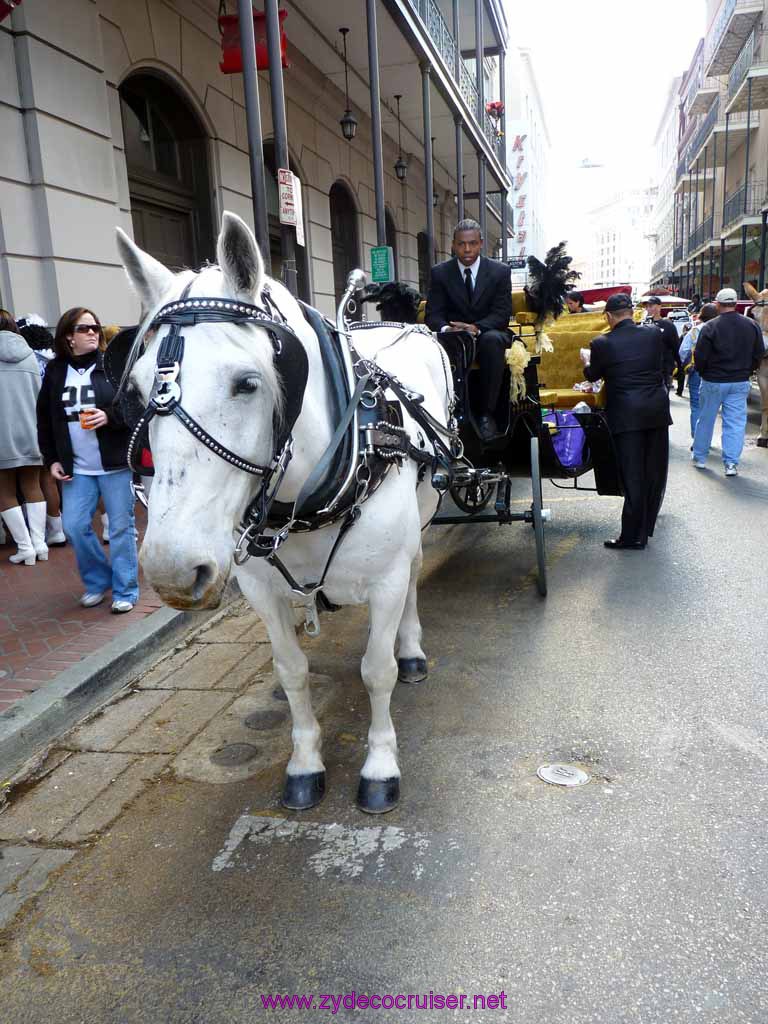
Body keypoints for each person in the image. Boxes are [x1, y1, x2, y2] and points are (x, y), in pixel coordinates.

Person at [37, 307, 139, 612]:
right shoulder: (56, 372)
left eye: (95, 327)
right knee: (75, 525)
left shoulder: (111, 366)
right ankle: (98, 581)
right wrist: (51, 459)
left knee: (121, 528)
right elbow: (45, 419)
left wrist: (108, 416)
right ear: (69, 336)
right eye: (85, 328)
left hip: (114, 465)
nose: (93, 332)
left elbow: (133, 407)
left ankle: (125, 590)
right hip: (76, 468)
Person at [581, 292, 671, 550]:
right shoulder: (654, 334)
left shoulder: (601, 343)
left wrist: (587, 362)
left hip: (626, 413)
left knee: (632, 476)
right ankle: (644, 530)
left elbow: (593, 375)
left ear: (609, 316)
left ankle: (631, 536)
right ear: (632, 313)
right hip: (655, 410)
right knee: (653, 472)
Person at [425, 218, 512, 440]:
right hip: (452, 337)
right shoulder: (440, 273)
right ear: (453, 245)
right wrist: (446, 329)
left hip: (488, 333)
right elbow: (433, 314)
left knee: (492, 341)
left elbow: (502, 314)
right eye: (462, 244)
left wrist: (475, 328)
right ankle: (445, 413)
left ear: (481, 243)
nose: (467, 249)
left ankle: (486, 415)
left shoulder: (500, 272)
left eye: (472, 243)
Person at [691, 287, 765, 476]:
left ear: (717, 304)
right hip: (740, 380)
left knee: (706, 419)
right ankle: (731, 463)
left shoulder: (710, 327)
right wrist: (749, 370)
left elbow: (700, 357)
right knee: (735, 423)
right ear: (735, 304)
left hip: (713, 380)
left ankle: (700, 457)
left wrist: (704, 371)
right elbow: (759, 353)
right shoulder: (751, 325)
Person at [0, 310, 48, 564]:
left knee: (5, 490)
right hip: (32, 429)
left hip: (2, 433)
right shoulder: (30, 355)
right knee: (33, 485)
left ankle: (25, 547)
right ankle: (40, 545)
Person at [16, 315, 67, 545]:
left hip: (32, 423)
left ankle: (47, 530)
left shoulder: (24, 361)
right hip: (60, 422)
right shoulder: (54, 359)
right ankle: (58, 527)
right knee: (56, 479)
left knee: (37, 480)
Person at [679, 302, 717, 440]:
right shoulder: (720, 329)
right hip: (715, 372)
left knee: (696, 405)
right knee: (710, 406)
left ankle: (697, 438)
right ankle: (706, 438)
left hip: (696, 370)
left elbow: (683, 350)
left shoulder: (694, 331)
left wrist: (682, 367)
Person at [642, 296, 679, 390]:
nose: (648, 308)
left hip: (663, 368)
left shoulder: (668, 325)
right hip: (646, 368)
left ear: (659, 307)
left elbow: (675, 346)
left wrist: (676, 364)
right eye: (647, 306)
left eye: (651, 306)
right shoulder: (643, 324)